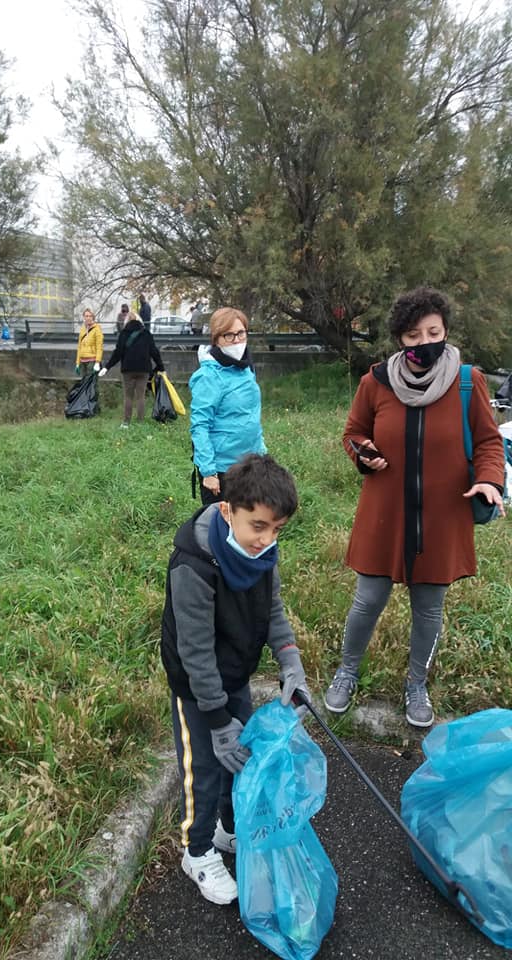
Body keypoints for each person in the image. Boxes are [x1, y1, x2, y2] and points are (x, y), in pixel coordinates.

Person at [324, 287, 505, 728]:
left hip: (442, 517)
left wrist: (488, 479)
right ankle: (347, 672)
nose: (424, 342)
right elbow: (353, 432)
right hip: (385, 514)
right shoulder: (376, 381)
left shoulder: (468, 381)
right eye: (413, 334)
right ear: (400, 339)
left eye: (433, 332)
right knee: (367, 601)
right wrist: (363, 453)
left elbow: (487, 441)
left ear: (445, 331)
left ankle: (416, 683)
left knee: (429, 608)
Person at [161, 453, 311, 905]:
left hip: (236, 674)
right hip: (197, 687)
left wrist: (290, 661)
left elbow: (273, 613)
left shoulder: (262, 555)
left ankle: (228, 829)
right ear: (228, 510)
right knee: (204, 770)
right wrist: (216, 716)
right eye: (258, 526)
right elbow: (195, 651)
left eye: (277, 529)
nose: (266, 539)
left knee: (241, 757)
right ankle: (198, 851)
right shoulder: (195, 564)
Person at [189, 306, 267, 504]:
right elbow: (200, 426)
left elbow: (250, 414)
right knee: (221, 529)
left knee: (248, 527)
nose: (237, 340)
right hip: (223, 469)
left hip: (251, 463)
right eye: (229, 335)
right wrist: (208, 472)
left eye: (241, 333)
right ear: (217, 339)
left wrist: (261, 452)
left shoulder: (245, 367)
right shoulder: (208, 376)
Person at [98, 309, 164, 427]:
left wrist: (107, 367)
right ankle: (140, 422)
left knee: (128, 396)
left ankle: (126, 423)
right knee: (140, 397)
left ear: (127, 321)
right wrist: (161, 367)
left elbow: (118, 353)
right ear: (140, 321)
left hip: (128, 370)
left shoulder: (123, 334)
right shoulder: (146, 334)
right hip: (144, 370)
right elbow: (154, 352)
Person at [75, 307, 104, 379]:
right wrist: (77, 363)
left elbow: (99, 347)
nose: (88, 318)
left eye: (90, 316)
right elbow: (79, 347)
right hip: (82, 359)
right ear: (84, 317)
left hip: (92, 359)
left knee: (91, 383)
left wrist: (97, 362)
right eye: (86, 316)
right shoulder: (82, 329)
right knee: (84, 383)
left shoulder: (97, 329)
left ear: (93, 317)